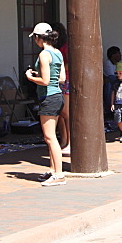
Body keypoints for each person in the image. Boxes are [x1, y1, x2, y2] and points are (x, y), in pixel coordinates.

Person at [24, 23, 66, 186]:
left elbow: (45, 81)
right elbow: (61, 78)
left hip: (48, 97)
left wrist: (30, 77)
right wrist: (40, 74)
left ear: (38, 38)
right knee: (52, 137)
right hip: (57, 95)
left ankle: (59, 174)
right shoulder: (58, 53)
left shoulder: (44, 54)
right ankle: (52, 170)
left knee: (50, 137)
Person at [51, 21, 71, 156]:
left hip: (66, 80)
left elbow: (69, 63)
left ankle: (70, 141)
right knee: (60, 113)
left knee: (66, 113)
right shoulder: (53, 49)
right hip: (56, 81)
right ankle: (63, 139)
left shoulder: (65, 47)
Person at [103, 46, 122, 112]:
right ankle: (109, 110)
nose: (120, 55)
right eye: (118, 53)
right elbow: (112, 77)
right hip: (112, 83)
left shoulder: (119, 64)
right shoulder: (107, 63)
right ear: (113, 55)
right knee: (109, 86)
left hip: (119, 82)